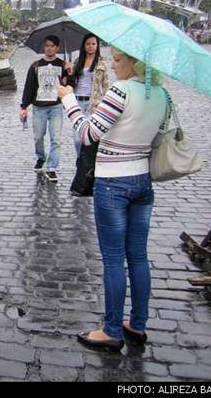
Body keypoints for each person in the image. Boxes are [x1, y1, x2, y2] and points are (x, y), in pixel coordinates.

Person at [57, 49, 169, 352]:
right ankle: (138, 324)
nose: (114, 66)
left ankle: (111, 330)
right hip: (143, 183)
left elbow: (88, 134)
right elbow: (157, 138)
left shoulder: (121, 91)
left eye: (119, 60)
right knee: (139, 257)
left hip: (113, 185)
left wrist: (68, 99)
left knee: (113, 260)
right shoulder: (162, 95)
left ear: (135, 63)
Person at [20, 35, 69, 183]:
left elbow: (70, 85)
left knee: (56, 139)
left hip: (56, 107)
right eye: (47, 45)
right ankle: (41, 157)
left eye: (52, 46)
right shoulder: (36, 66)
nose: (49, 48)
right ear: (44, 47)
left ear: (57, 48)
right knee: (38, 137)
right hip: (39, 107)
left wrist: (70, 71)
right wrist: (23, 106)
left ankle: (52, 168)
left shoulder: (63, 65)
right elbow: (29, 87)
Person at [65, 34, 110, 156]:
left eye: (93, 44)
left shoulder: (102, 63)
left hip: (93, 103)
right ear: (84, 46)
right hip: (77, 101)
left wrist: (106, 104)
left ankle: (86, 166)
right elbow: (71, 82)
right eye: (88, 44)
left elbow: (106, 85)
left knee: (89, 137)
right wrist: (70, 72)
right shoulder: (77, 61)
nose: (90, 47)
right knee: (77, 138)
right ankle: (80, 161)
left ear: (97, 46)